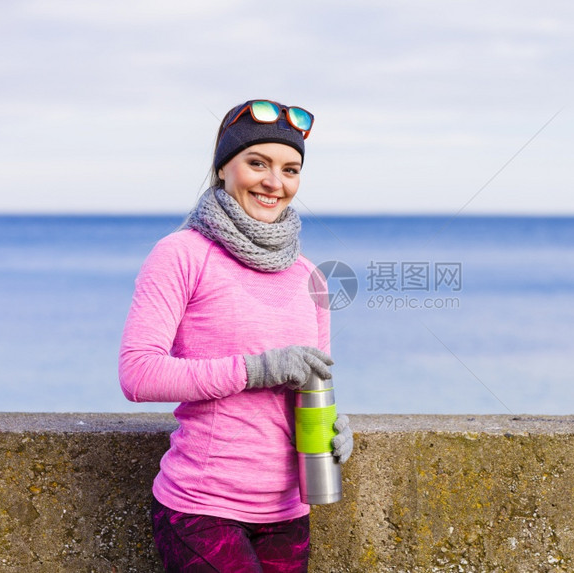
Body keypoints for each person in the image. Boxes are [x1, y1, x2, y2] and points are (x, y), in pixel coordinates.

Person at [119, 99, 353, 572]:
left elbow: (312, 380)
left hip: (289, 509)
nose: (274, 182)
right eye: (257, 163)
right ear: (224, 167)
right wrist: (256, 370)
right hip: (202, 508)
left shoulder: (311, 277)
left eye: (290, 170)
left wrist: (333, 424)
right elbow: (138, 374)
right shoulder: (181, 254)